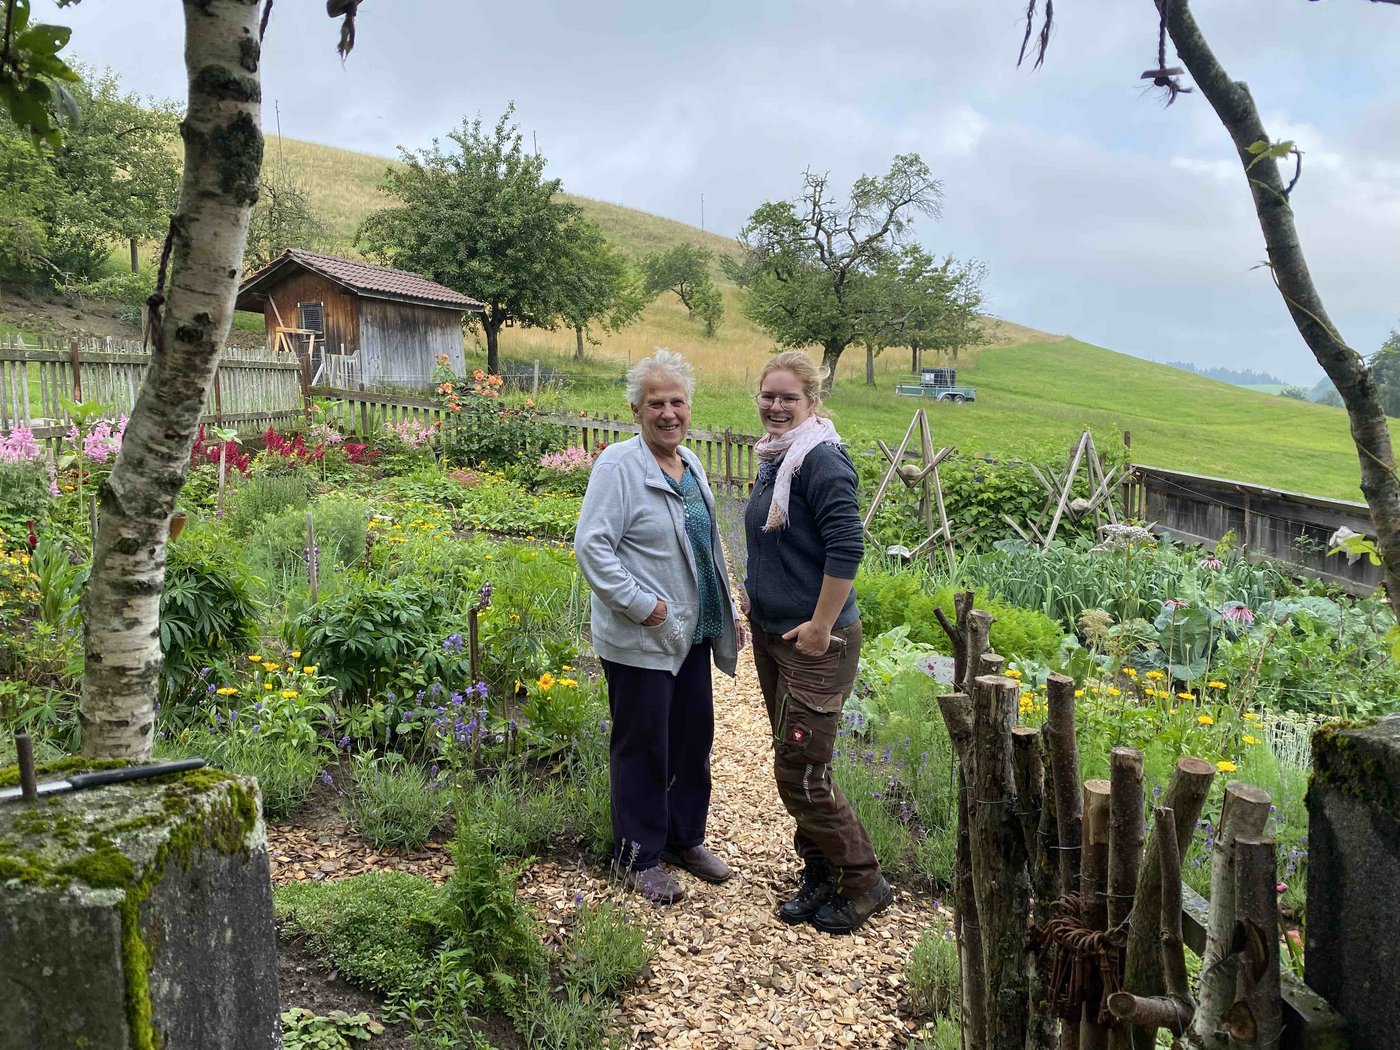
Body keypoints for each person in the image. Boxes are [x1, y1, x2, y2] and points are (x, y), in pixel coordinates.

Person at [575, 348, 745, 904]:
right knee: (643, 745)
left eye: (676, 402)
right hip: (642, 636)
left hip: (689, 633)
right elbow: (592, 548)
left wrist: (726, 605)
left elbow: (702, 542)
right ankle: (638, 856)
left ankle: (683, 839)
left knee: (692, 741)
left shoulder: (689, 463)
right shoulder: (619, 467)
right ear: (635, 409)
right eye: (655, 403)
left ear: (689, 407)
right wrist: (642, 605)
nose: (668, 413)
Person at [743, 350, 891, 935]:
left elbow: (846, 549)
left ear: (812, 402)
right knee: (795, 755)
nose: (776, 407)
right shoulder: (777, 456)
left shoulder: (821, 461)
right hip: (777, 633)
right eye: (768, 396)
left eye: (788, 398)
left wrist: (821, 626)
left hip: (816, 641)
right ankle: (820, 873)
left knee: (799, 769)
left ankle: (863, 880)